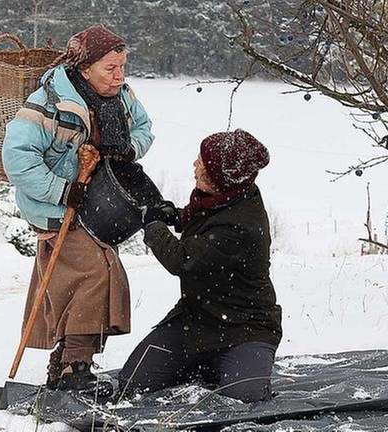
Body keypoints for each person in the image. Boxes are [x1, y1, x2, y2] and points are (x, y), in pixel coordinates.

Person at [2, 24, 154, 394]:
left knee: (85, 275)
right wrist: (62, 190)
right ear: (85, 69)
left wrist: (127, 150)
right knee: (94, 270)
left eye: (122, 67)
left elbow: (145, 129)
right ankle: (74, 364)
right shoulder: (48, 103)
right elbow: (17, 159)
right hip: (58, 208)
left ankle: (69, 363)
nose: (119, 76)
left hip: (99, 204)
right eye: (110, 69)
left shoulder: (123, 97)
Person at [118, 129, 282, 403]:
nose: (195, 165)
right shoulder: (232, 194)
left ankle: (230, 364)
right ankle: (208, 363)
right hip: (196, 320)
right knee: (133, 384)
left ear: (220, 177)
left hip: (245, 327)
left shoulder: (242, 226)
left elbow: (180, 259)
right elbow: (205, 219)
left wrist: (154, 225)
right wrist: (176, 216)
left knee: (244, 398)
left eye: (202, 163)